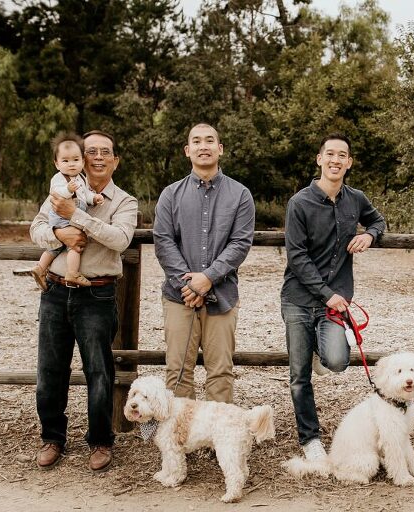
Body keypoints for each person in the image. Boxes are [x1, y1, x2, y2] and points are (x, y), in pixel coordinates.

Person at [29, 130, 138, 473]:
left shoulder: (124, 201)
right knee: (50, 370)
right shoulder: (61, 190)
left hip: (97, 293)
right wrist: (58, 232)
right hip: (56, 290)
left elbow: (119, 240)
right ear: (83, 157)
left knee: (99, 372)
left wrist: (75, 216)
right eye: (92, 151)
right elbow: (37, 228)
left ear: (115, 160)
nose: (98, 157)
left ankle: (101, 441)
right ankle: (52, 438)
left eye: (106, 151)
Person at [281, 133, 386, 461]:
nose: (336, 160)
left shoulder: (355, 199)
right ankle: (310, 439)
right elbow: (297, 258)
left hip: (334, 303)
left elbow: (378, 220)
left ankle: (318, 349)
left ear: (349, 162)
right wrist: (327, 295)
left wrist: (370, 234)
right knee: (299, 376)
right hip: (299, 299)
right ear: (319, 159)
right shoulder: (299, 203)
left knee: (338, 361)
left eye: (342, 155)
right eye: (330, 154)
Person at [153, 123, 255, 404]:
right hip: (179, 297)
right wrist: (189, 284)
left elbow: (240, 243)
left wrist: (208, 278)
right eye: (196, 141)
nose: (203, 146)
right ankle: (180, 439)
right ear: (188, 151)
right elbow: (163, 242)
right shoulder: (170, 195)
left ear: (220, 149)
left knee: (220, 372)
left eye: (210, 141)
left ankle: (218, 441)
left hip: (222, 295)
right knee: (178, 372)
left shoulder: (240, 195)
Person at [30, 132, 105, 290]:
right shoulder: (59, 179)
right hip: (62, 217)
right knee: (74, 245)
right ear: (57, 164)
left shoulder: (81, 178)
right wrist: (68, 189)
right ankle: (72, 272)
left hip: (73, 214)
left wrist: (94, 198)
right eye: (65, 160)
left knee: (55, 247)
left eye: (76, 160)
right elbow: (57, 194)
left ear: (83, 161)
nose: (71, 164)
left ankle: (40, 268)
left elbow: (85, 195)